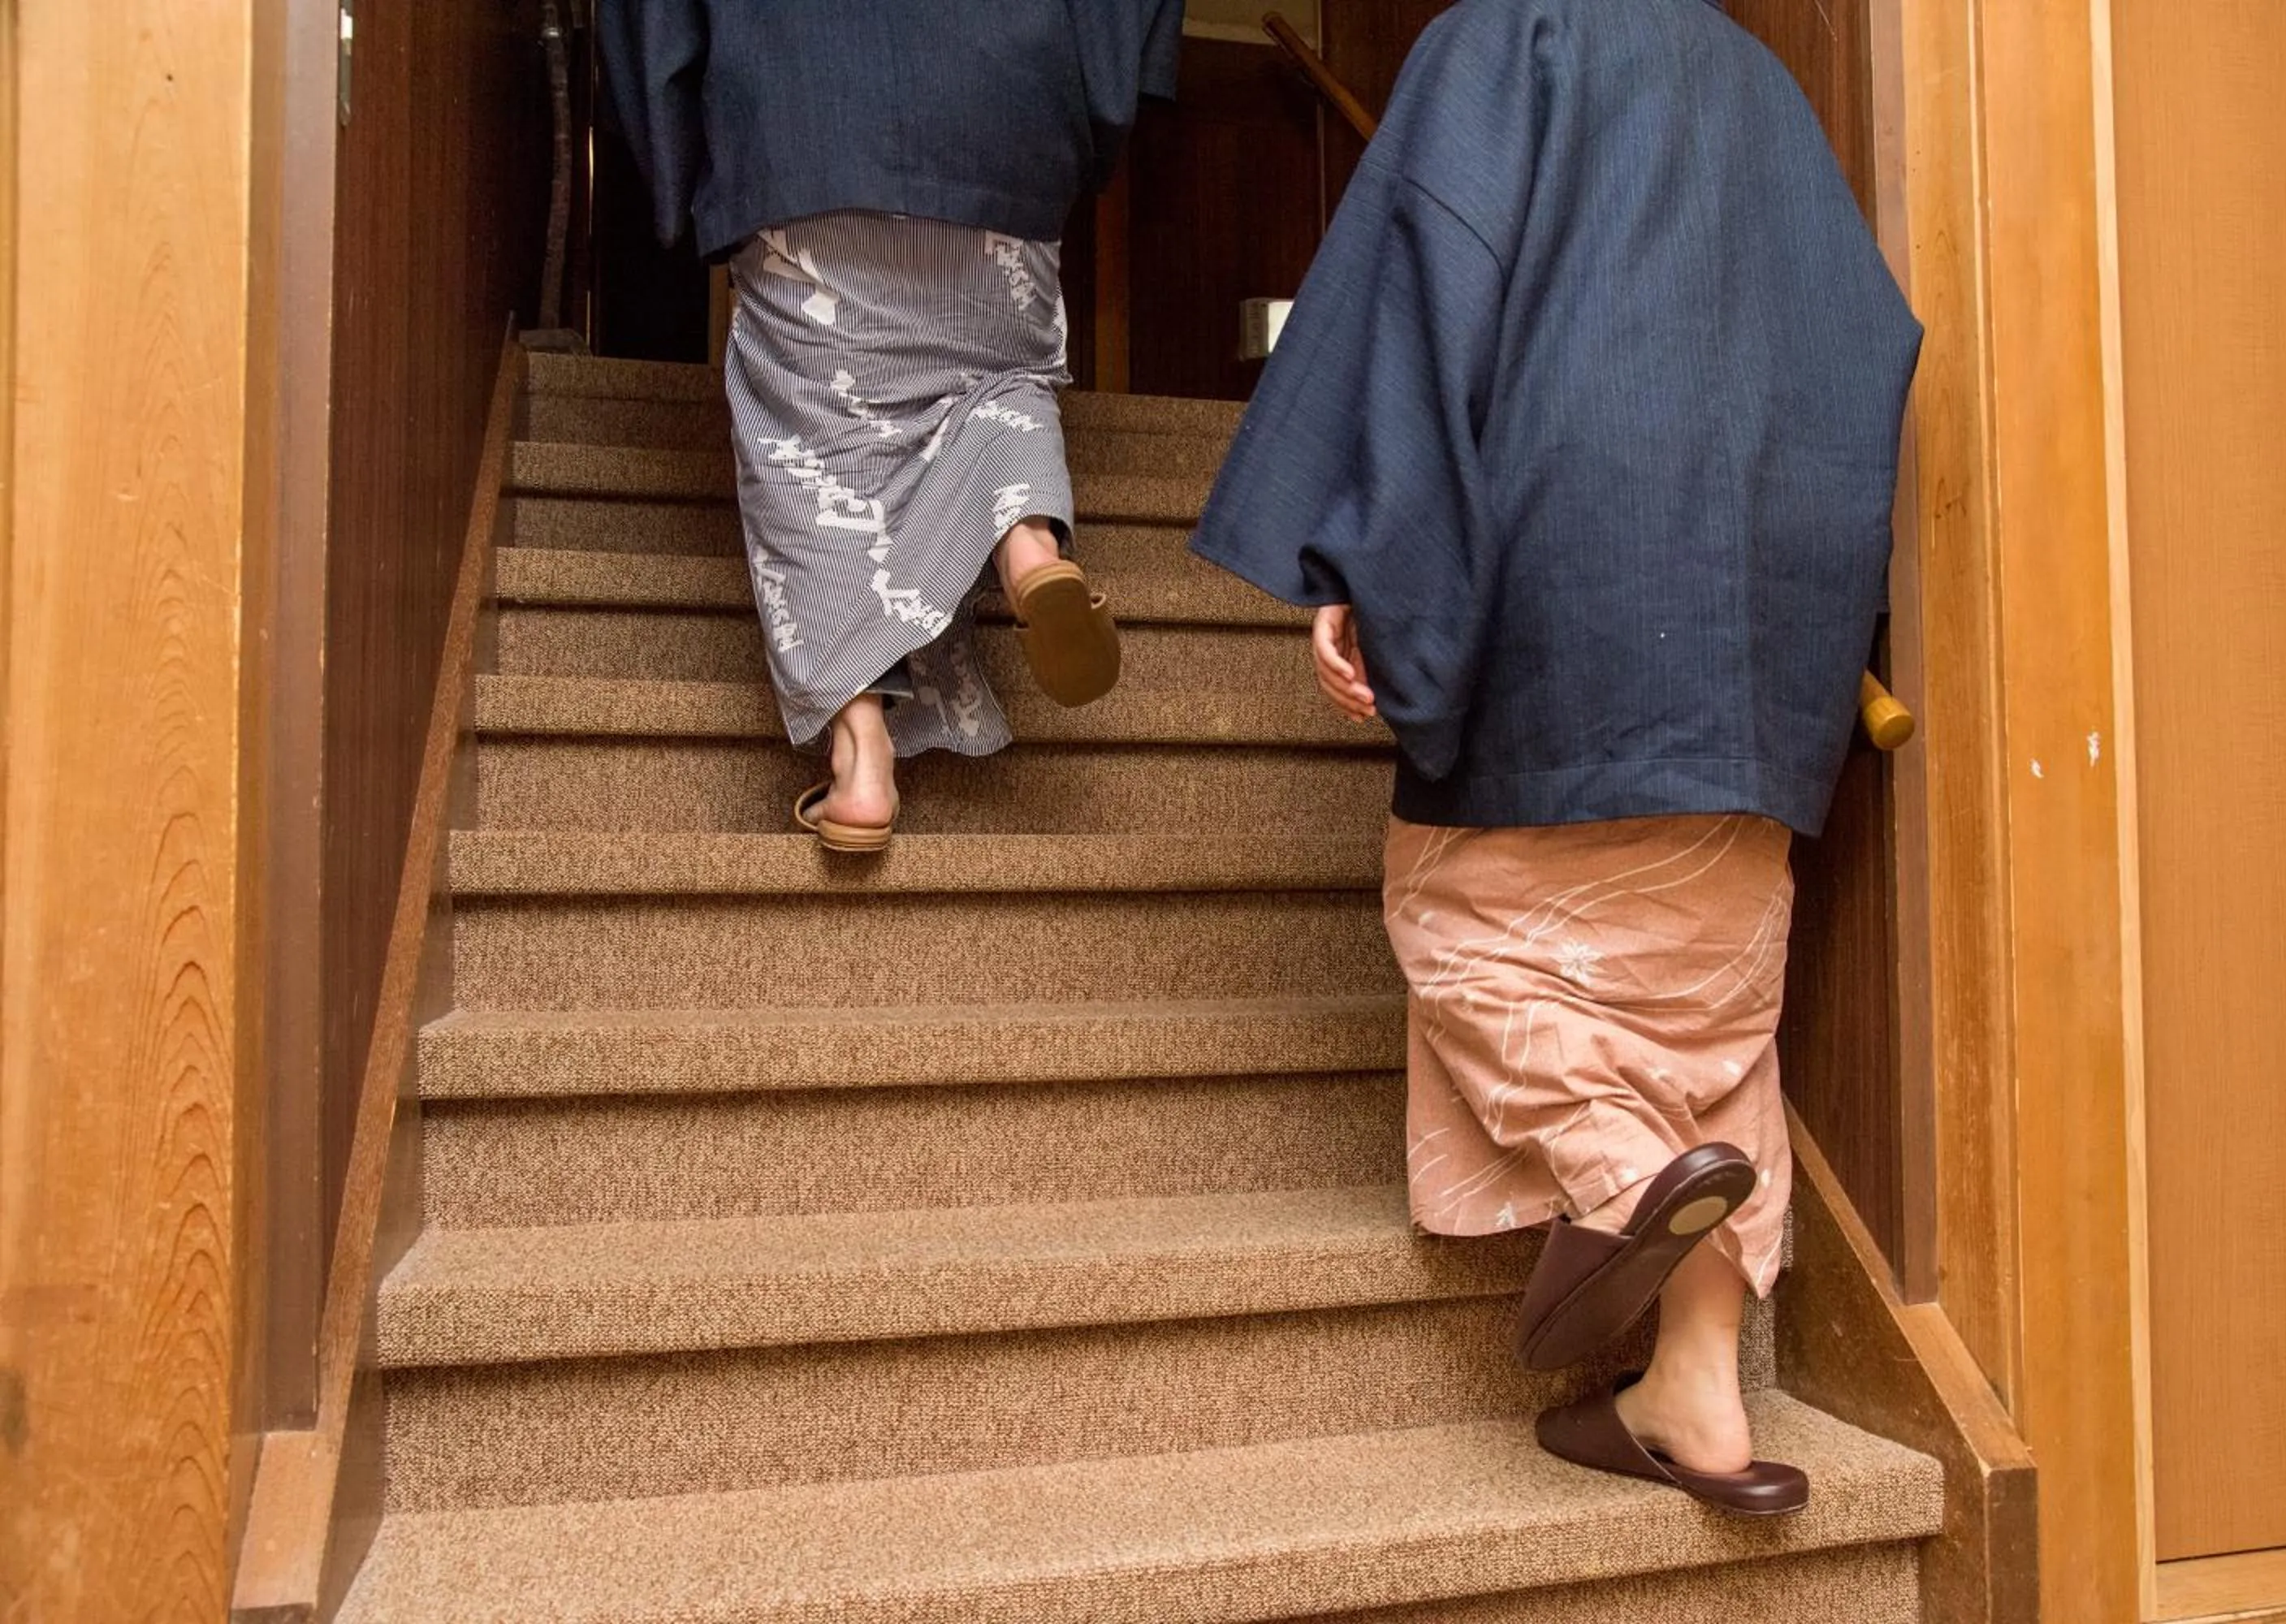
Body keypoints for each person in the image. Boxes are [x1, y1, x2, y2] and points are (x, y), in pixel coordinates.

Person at [1191, 0, 1921, 1514]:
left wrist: (1374, 572)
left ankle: (1615, 1177)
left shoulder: (1511, 39)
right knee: (1710, 1020)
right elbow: (1868, 332)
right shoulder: (1763, 87)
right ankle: (1700, 1396)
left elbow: (1425, 305)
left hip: (1575, 577)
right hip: (1757, 616)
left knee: (1464, 923)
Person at [599, 0, 1184, 850]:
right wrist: (1094, 104)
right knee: (998, 379)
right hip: (1006, 115)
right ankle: (1028, 542)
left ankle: (861, 754)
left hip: (804, 121)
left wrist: (683, 167)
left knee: (810, 439)